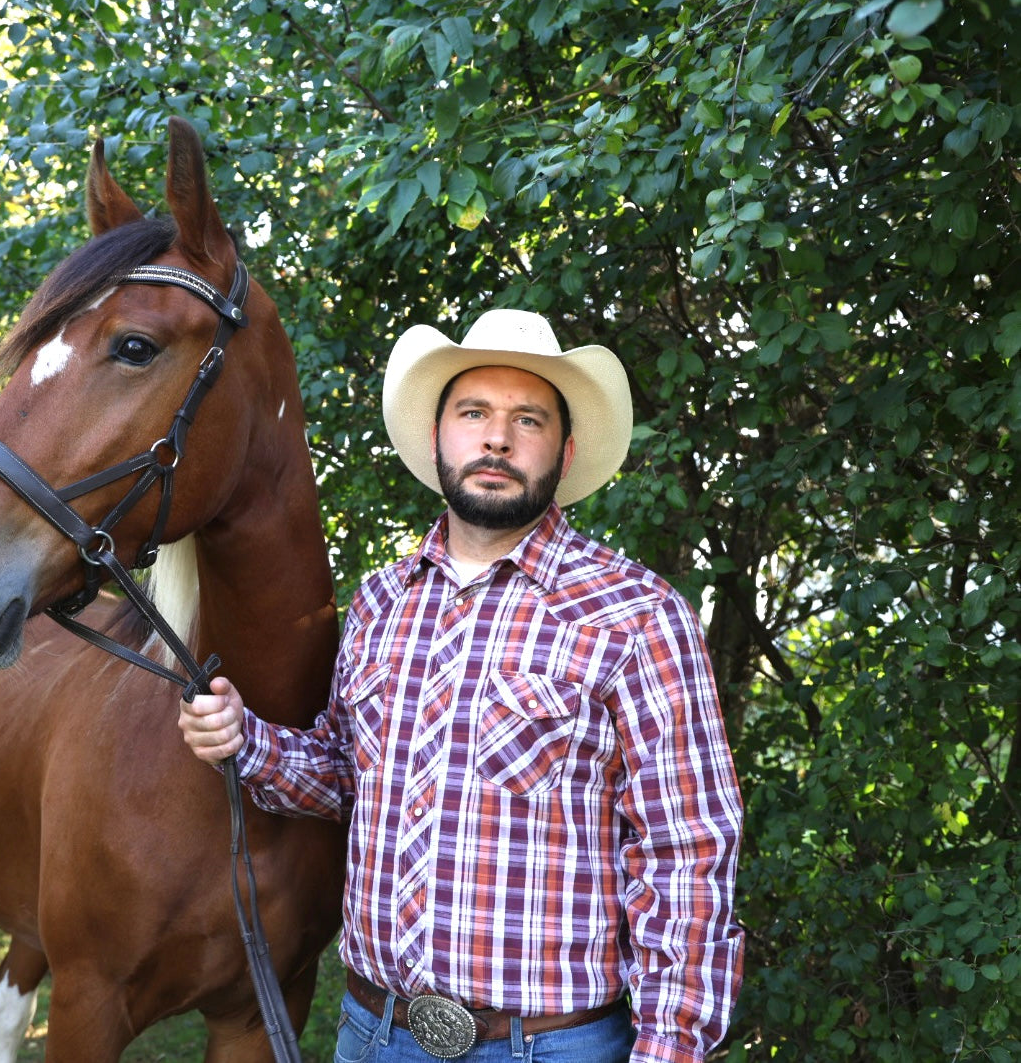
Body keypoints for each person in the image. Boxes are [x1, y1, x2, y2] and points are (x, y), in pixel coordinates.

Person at [180, 309, 744, 1063]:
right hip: (373, 1034)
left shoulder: (635, 614)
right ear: (439, 435)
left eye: (528, 419)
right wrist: (244, 739)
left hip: (548, 1047)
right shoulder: (382, 601)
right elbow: (346, 773)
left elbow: (688, 851)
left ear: (565, 450)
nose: (497, 437)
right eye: (473, 412)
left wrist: (670, 1048)